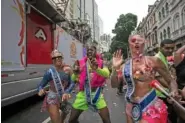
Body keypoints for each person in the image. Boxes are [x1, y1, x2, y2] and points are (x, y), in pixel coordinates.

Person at [111, 34, 179, 123]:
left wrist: (173, 91)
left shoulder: (153, 61)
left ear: (144, 43)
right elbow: (114, 85)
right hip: (131, 108)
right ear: (129, 44)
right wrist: (115, 68)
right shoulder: (124, 66)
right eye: (133, 40)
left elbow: (170, 80)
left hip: (150, 105)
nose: (136, 42)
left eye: (140, 40)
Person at [68, 44, 111, 123]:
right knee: (71, 120)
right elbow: (73, 79)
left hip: (97, 95)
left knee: (107, 120)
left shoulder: (101, 63)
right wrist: (75, 73)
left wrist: (97, 68)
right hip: (82, 95)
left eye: (92, 50)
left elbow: (107, 74)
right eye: (88, 50)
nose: (89, 51)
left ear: (96, 52)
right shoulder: (80, 63)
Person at [37, 49, 75, 123]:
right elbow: (40, 85)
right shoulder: (49, 72)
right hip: (52, 97)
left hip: (64, 97)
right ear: (52, 60)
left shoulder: (68, 69)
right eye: (54, 58)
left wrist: (67, 92)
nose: (57, 59)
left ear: (62, 57)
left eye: (59, 57)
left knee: (64, 115)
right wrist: (40, 90)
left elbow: (72, 83)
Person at [155, 39, 177, 123]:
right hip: (161, 95)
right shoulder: (157, 59)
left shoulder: (163, 57)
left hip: (166, 94)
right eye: (167, 48)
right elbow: (159, 78)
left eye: (172, 48)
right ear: (160, 48)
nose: (170, 50)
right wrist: (173, 90)